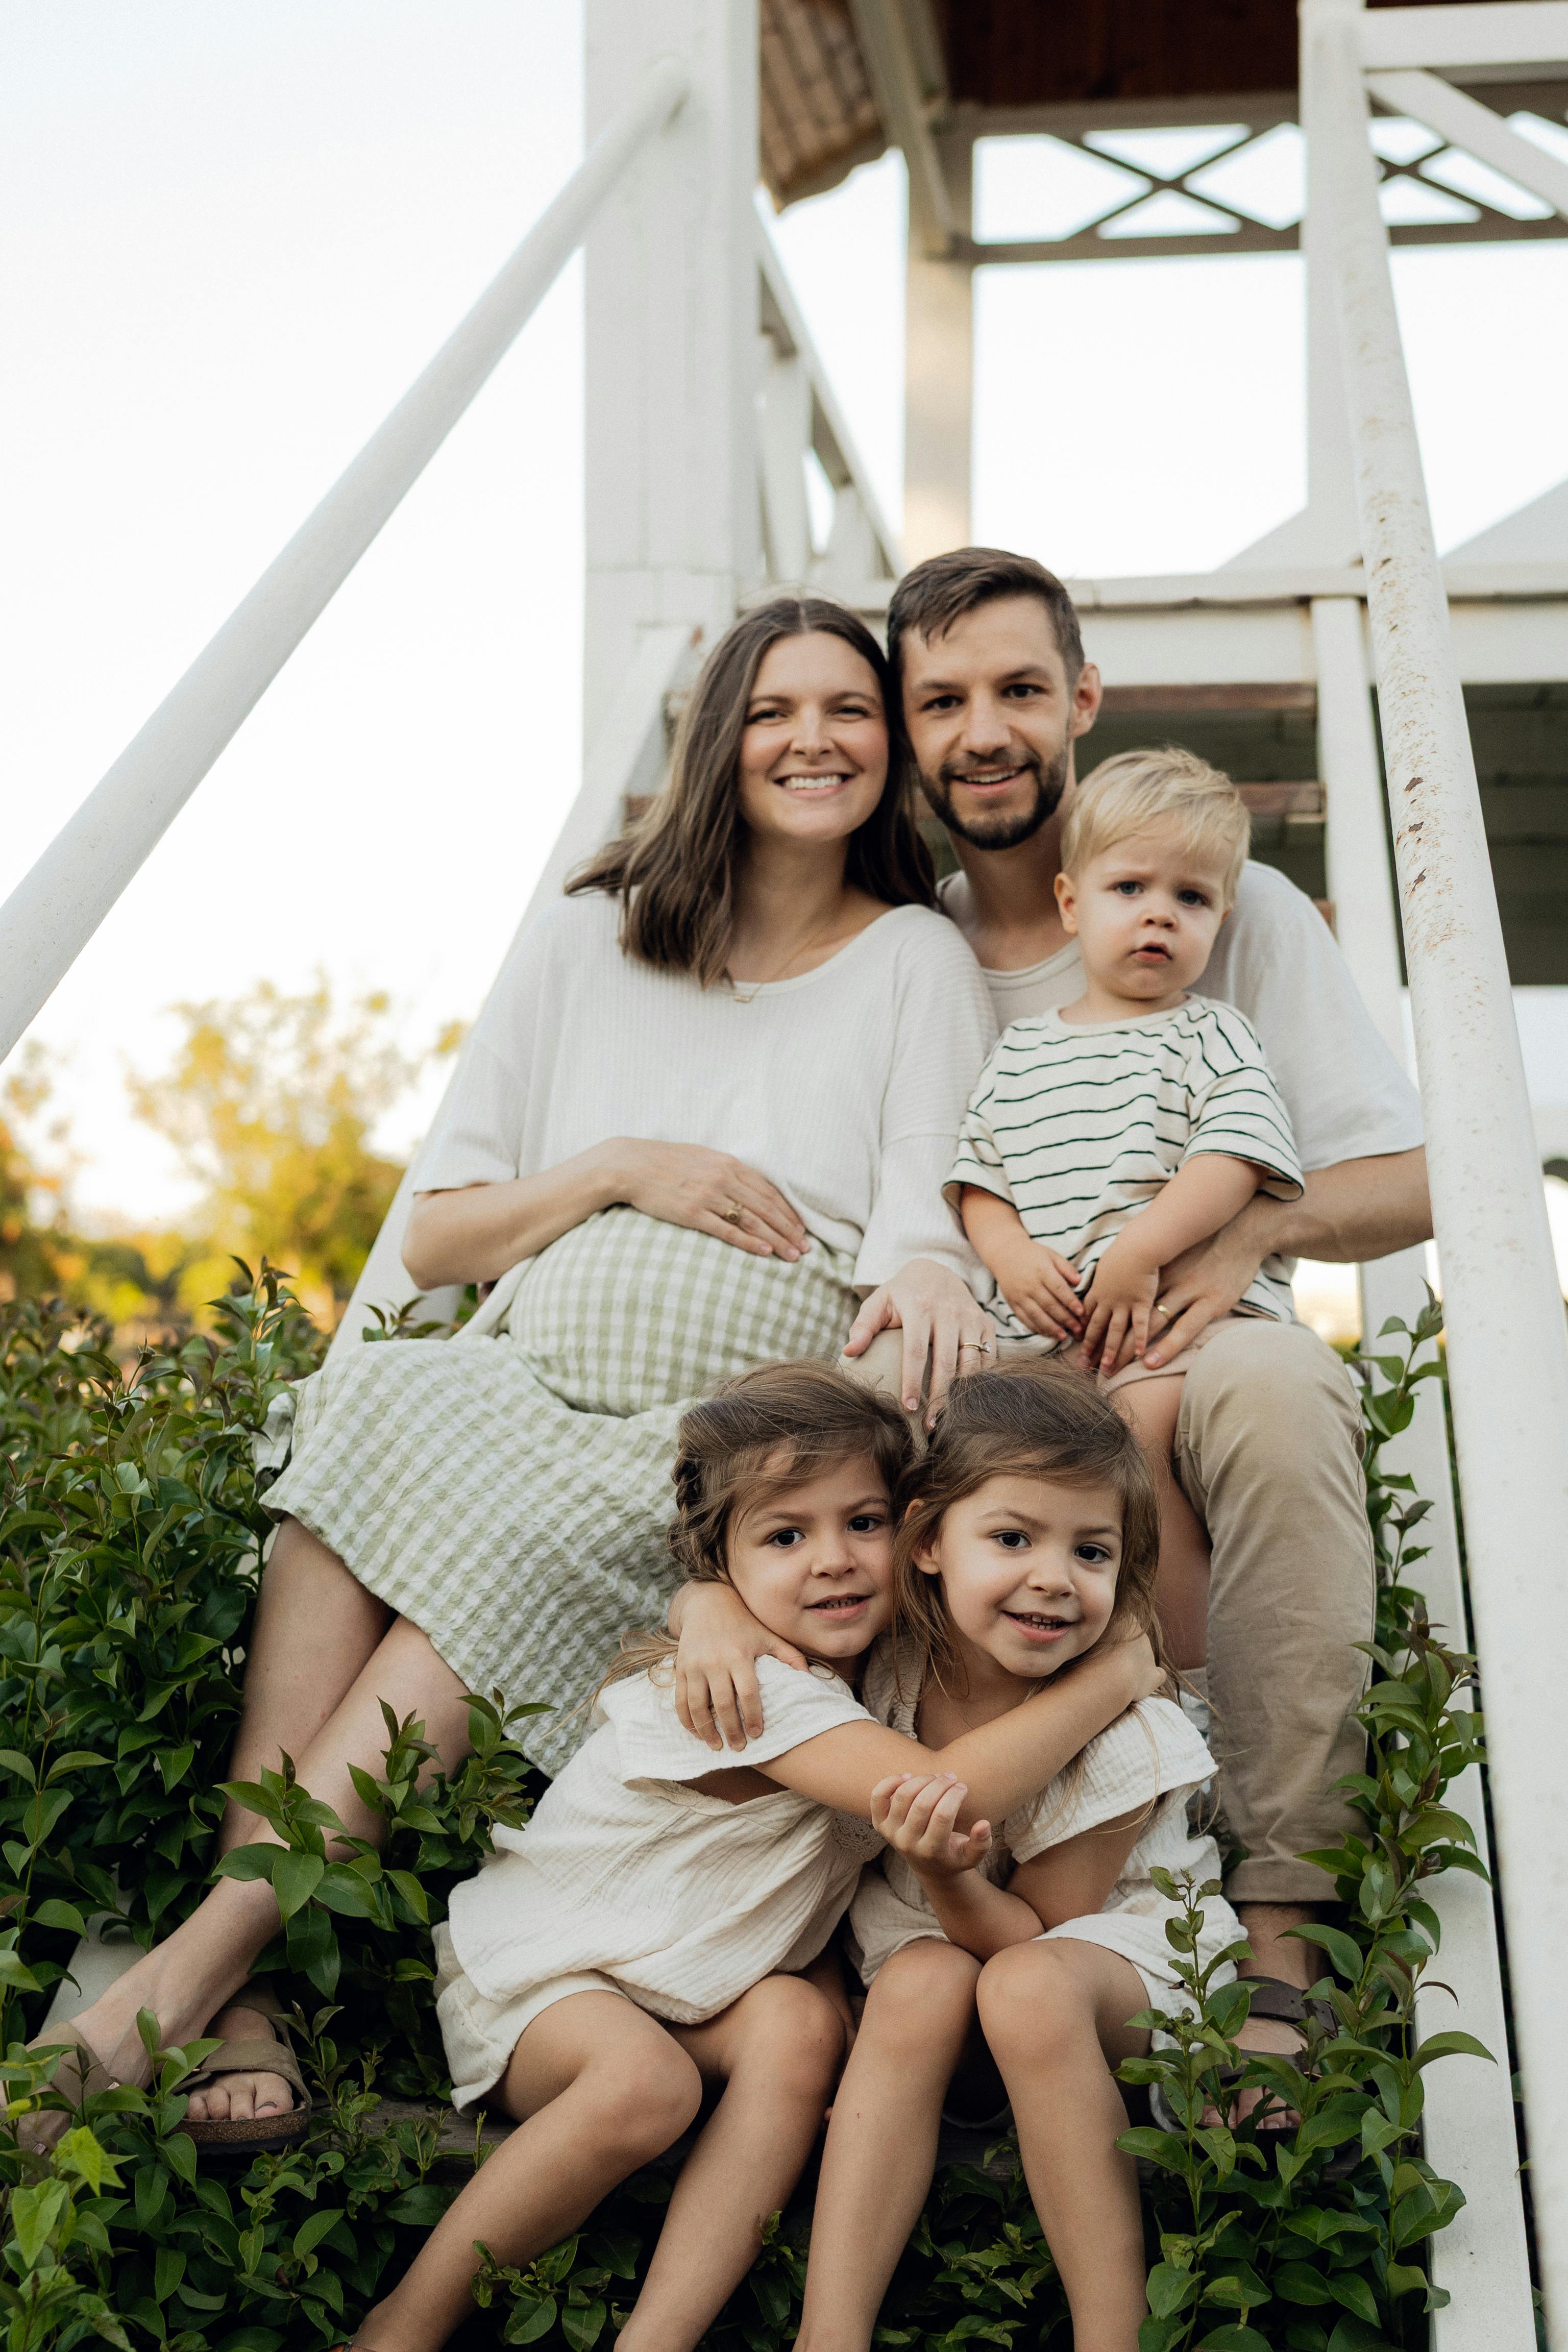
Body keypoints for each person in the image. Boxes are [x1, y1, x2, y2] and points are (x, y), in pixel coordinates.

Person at [25, 597, 1002, 2144]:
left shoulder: (914, 961)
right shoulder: (585, 936)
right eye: (773, 711)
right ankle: (240, 1986)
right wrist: (623, 1167)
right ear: (717, 740)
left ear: (887, 748)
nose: (814, 741)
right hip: (523, 1377)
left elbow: (911, 1233)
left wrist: (933, 1279)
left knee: (488, 1560)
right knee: (353, 1451)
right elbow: (436, 1237)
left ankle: (195, 1973)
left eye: (849, 711)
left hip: (724, 1431)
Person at [886, 543, 1430, 2082]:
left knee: (1263, 1391)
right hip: (1010, 1325)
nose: (985, 729)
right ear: (911, 729)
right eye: (944, 699)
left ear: (1083, 699)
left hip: (1199, 1321)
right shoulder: (917, 953)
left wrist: (1225, 1236)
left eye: (1020, 688)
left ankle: (1275, 1909)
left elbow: (1408, 1177)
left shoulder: (1227, 907)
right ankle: (916, 1887)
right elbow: (949, 1180)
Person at [350, 1364, 1162, 2352]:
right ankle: (403, 2327)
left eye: (862, 1524)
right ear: (724, 1555)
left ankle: (659, 2340)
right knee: (646, 2084)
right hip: (544, 1981)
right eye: (786, 1535)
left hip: (695, 1993)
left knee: (799, 2026)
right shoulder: (757, 1690)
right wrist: (1117, 1676)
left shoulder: (875, 1658)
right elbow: (939, 1795)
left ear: (915, 1538)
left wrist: (709, 1601)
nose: (835, 1562)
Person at [792, 1363, 1234, 2352]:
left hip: (1118, 1968)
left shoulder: (1129, 1738)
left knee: (1026, 1989)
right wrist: (705, 1619)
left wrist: (946, 1872)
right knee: (918, 1986)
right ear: (927, 1546)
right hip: (942, 1960)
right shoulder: (897, 1654)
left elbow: (1034, 1932)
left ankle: (1112, 2333)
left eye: (1091, 1551)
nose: (1051, 1577)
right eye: (1012, 1538)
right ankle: (829, 2335)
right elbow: (745, 1591)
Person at [950, 747, 1304, 1669]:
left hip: (1162, 1326)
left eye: (1190, 898)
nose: (1158, 912)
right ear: (1072, 904)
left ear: (1220, 920)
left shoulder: (1213, 1033)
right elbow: (979, 1179)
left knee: (1133, 1457)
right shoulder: (1021, 1049)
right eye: (1129, 887)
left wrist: (1143, 1250)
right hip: (1044, 1329)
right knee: (993, 1467)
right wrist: (1013, 1256)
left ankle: (1172, 1675)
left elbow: (1232, 1158)